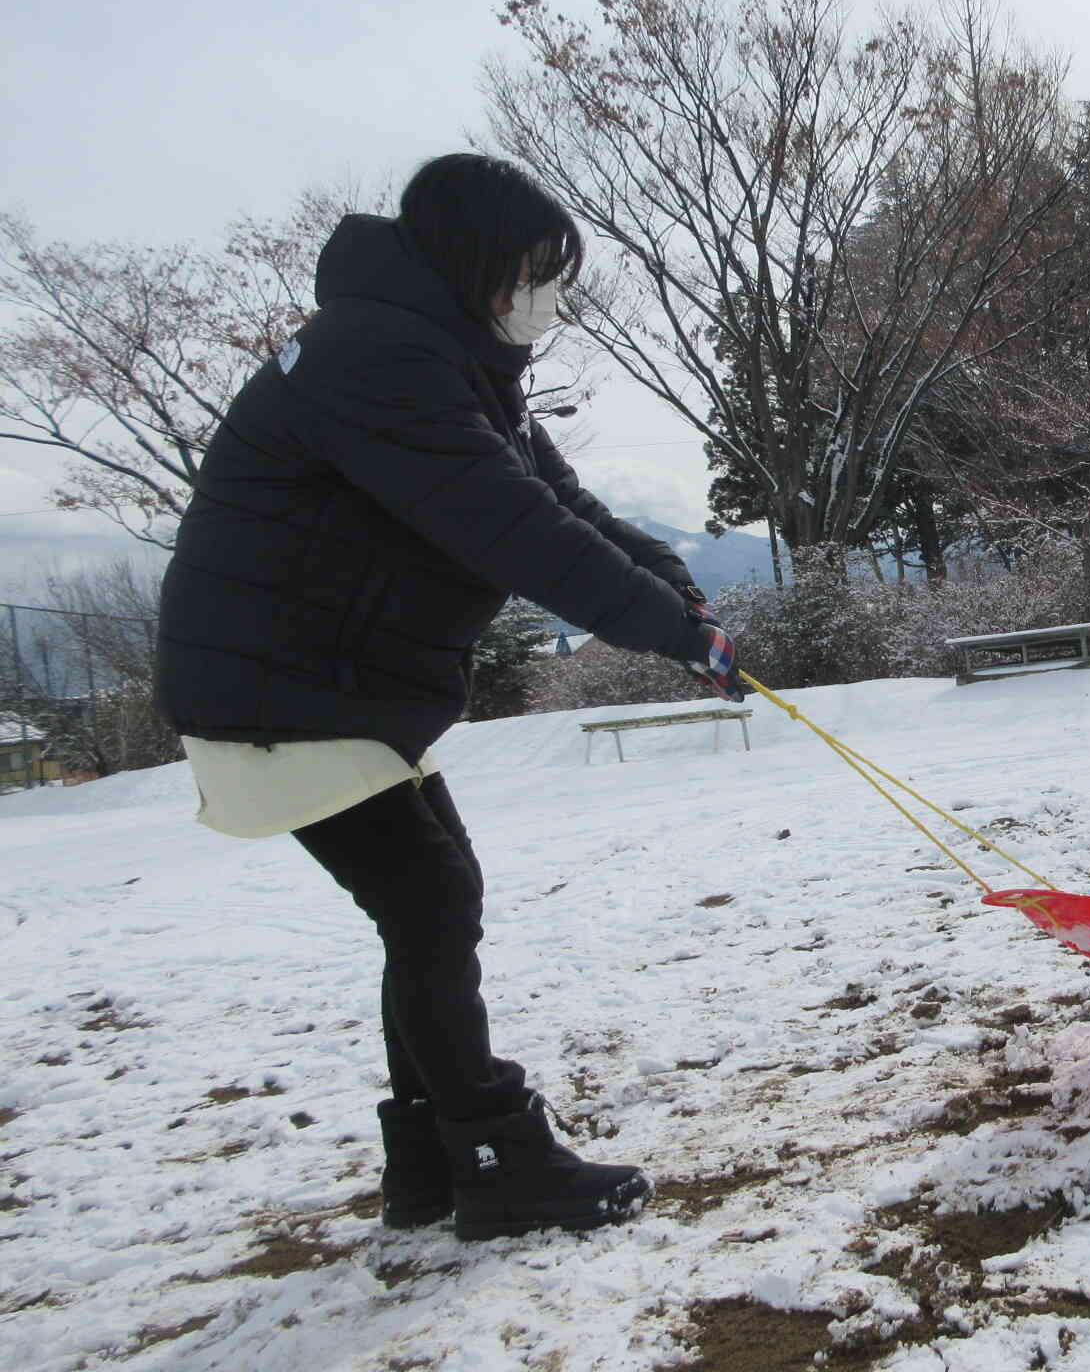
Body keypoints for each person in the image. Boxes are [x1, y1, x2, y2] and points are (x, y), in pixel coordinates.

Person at [154, 153, 741, 1242]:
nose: (548, 300)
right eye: (538, 273)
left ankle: (433, 1164)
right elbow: (506, 529)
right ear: (481, 262)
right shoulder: (377, 358)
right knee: (430, 905)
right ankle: (492, 1160)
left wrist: (678, 594)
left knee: (427, 905)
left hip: (336, 687)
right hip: (286, 688)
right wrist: (668, 633)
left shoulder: (447, 357)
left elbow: (557, 501)